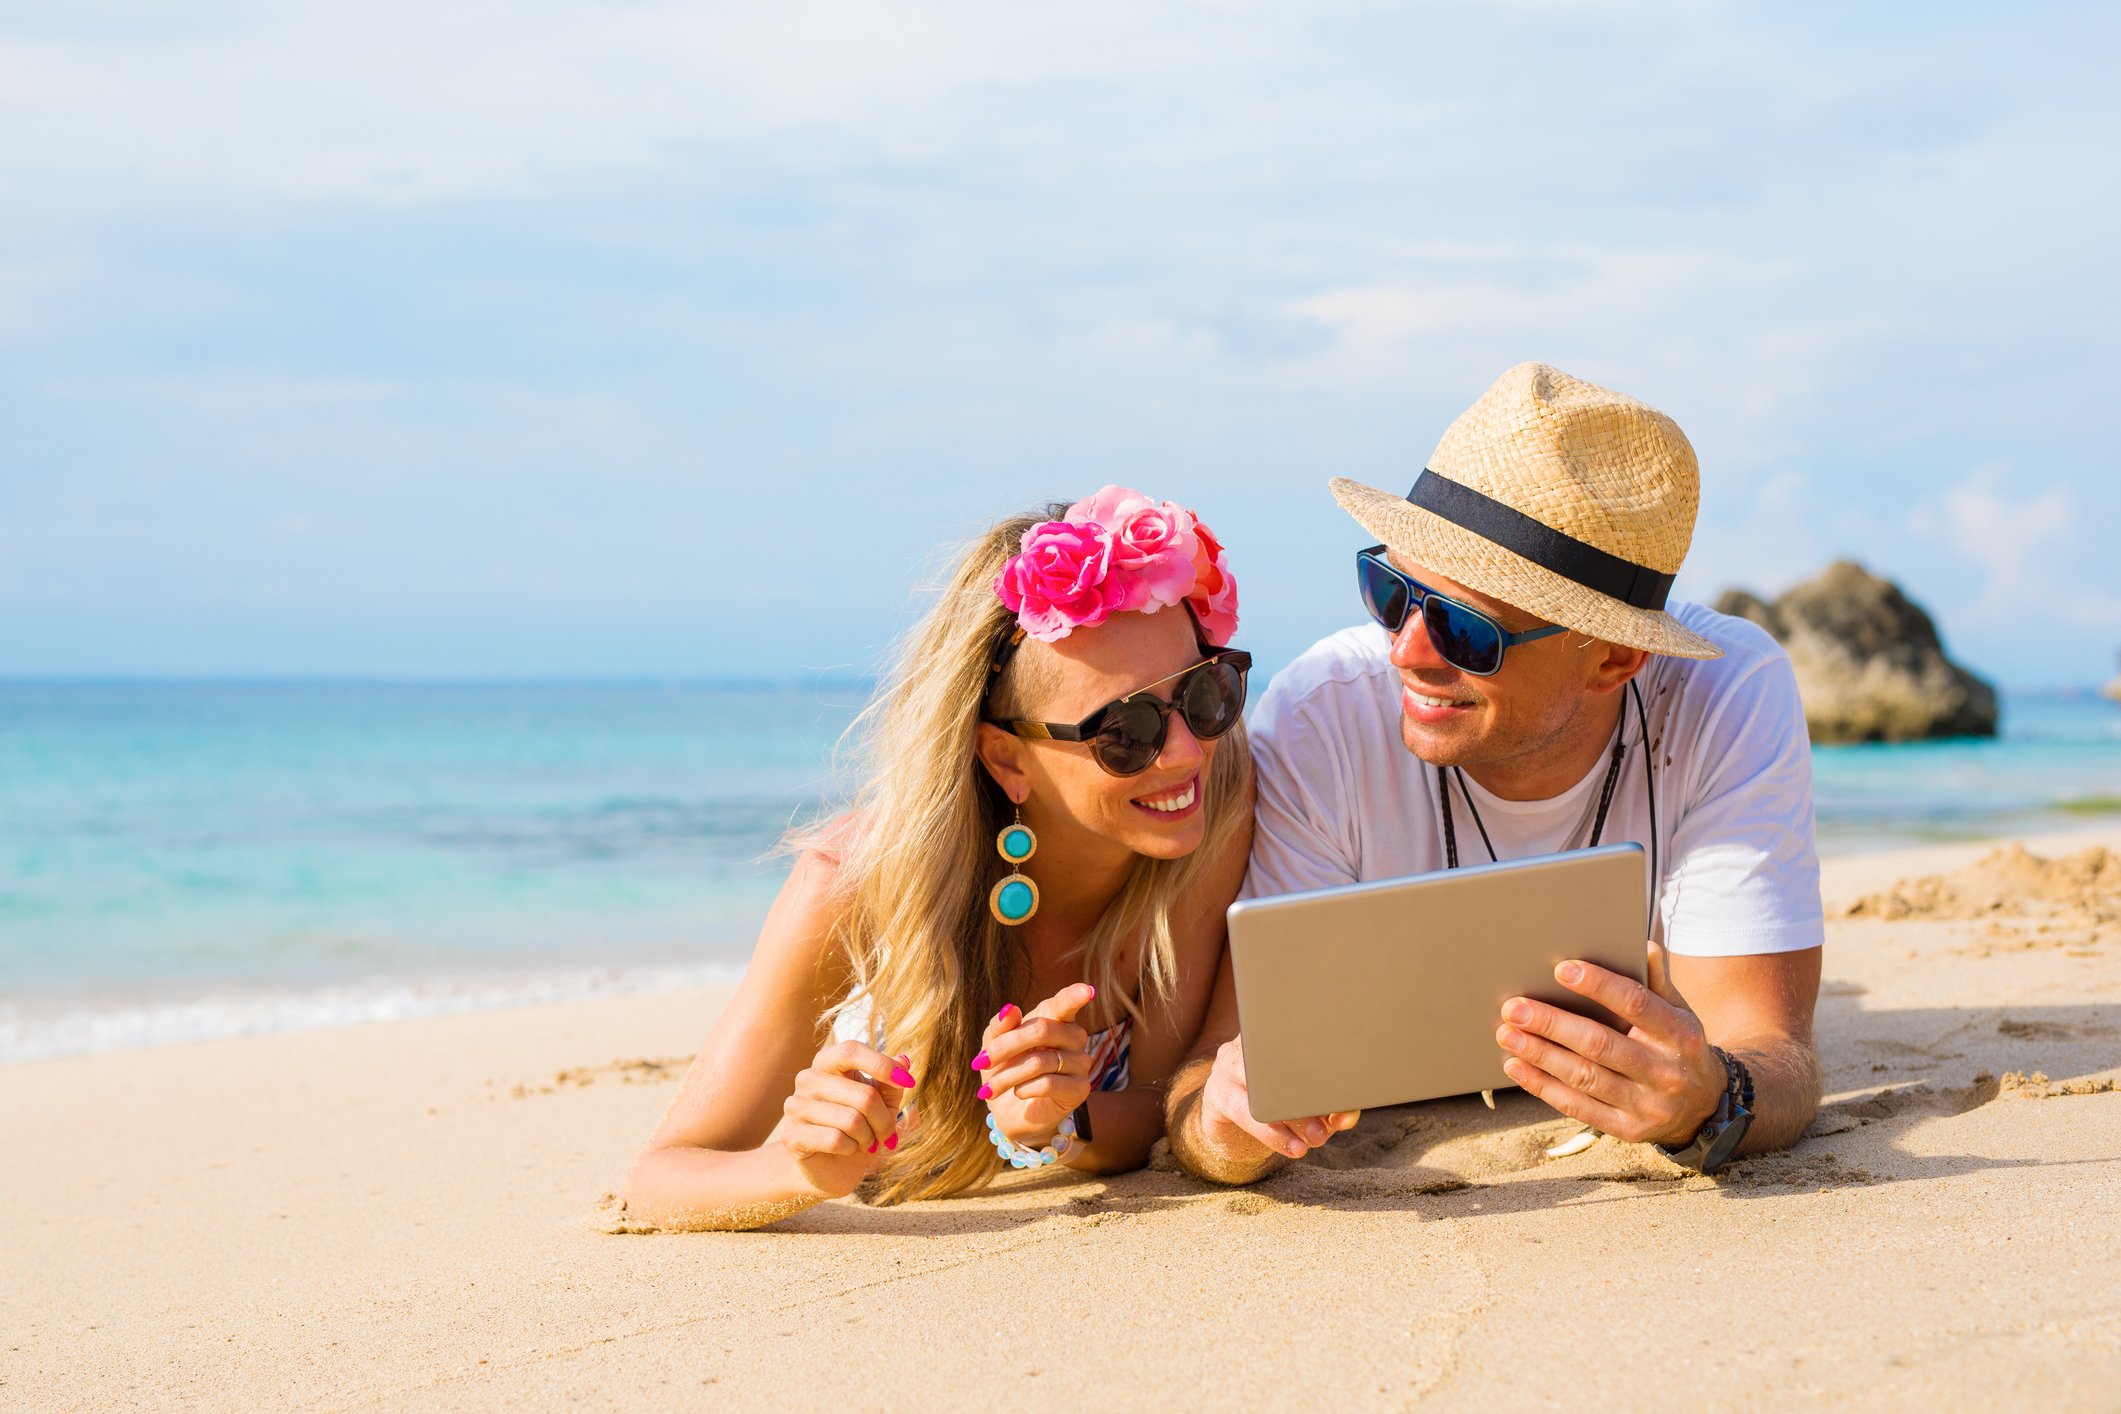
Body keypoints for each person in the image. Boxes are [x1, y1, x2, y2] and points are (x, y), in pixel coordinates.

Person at [1166, 362, 1825, 1185]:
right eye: (1390, 590)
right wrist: (1226, 1134)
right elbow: (1206, 1085)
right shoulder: (1322, 712)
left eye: (1465, 631)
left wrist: (1708, 1100)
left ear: (1614, 658)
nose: (1405, 650)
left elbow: (1775, 1055)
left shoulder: (1723, 693)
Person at [625, 487, 1253, 1229]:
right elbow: (658, 1176)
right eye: (1127, 731)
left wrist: (1049, 1127)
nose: (1184, 751)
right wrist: (797, 1168)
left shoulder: (1208, 810)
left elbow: (1157, 1105)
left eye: (1206, 693)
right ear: (1004, 757)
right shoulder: (852, 886)